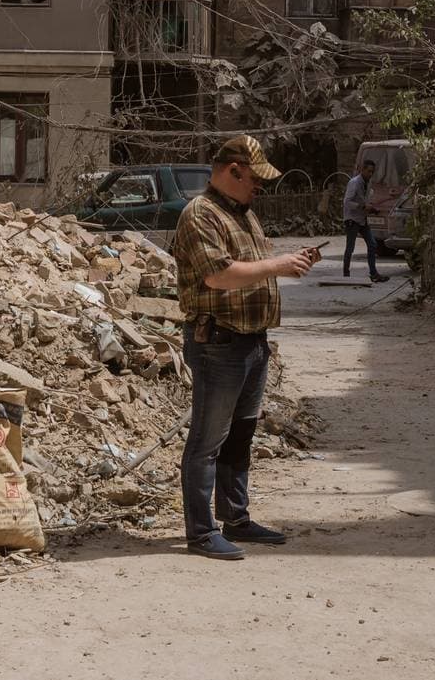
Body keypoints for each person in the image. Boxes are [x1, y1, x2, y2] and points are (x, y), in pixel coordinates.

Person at [170, 135, 322, 560]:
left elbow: (252, 268)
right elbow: (218, 275)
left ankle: (235, 518)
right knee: (207, 441)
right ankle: (201, 533)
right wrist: (279, 265)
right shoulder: (200, 214)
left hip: (251, 342)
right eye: (255, 179)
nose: (259, 187)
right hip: (219, 342)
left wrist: (290, 261)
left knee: (239, 436)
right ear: (233, 170)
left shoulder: (243, 214)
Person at [341, 159, 391, 283]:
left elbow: (365, 200)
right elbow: (347, 202)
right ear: (362, 170)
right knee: (350, 248)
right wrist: (362, 206)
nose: (370, 174)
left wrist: (372, 209)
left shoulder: (367, 183)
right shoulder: (354, 183)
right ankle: (346, 275)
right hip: (352, 219)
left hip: (362, 219)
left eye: (372, 172)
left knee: (372, 244)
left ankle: (373, 273)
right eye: (368, 171)